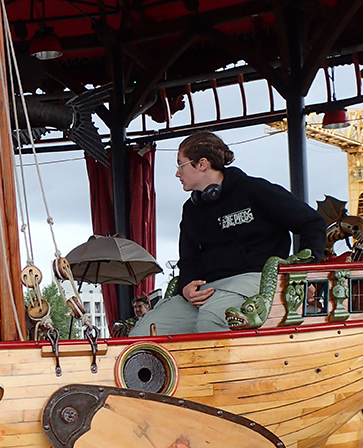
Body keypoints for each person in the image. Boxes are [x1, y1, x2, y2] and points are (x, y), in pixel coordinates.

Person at [131, 131, 326, 336]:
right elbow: (188, 259)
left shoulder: (254, 190)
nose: (177, 174)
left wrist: (302, 273)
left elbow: (312, 223)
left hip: (255, 281)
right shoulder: (191, 209)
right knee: (141, 335)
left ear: (202, 164)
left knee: (213, 322)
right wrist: (187, 286)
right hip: (207, 290)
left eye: (181, 165)